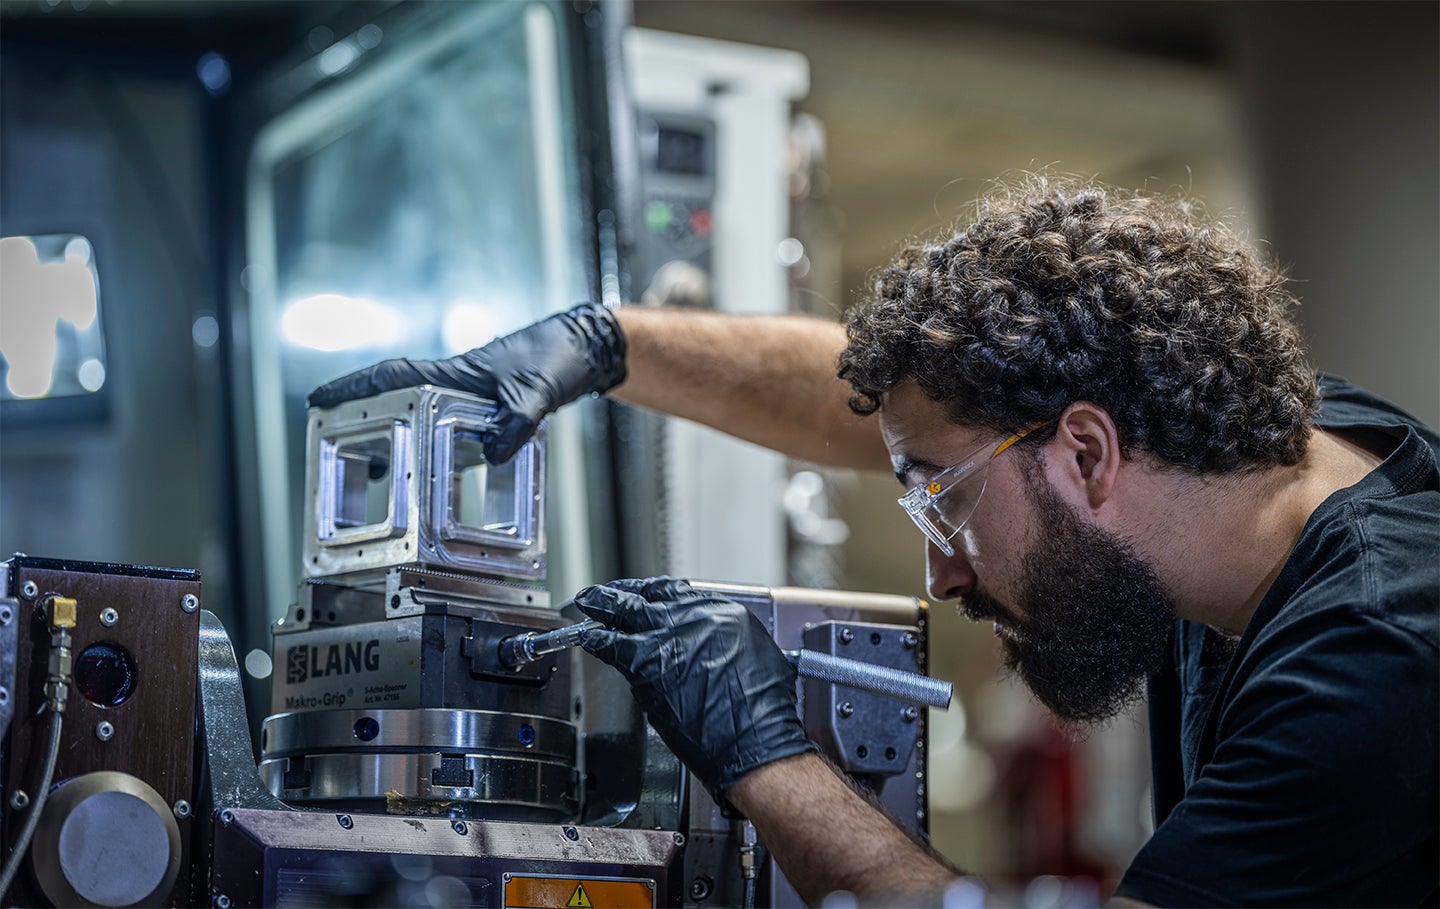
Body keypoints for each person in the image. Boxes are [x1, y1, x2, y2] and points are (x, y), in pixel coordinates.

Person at [309, 175, 1439, 906]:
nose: (943, 573)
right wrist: (602, 345)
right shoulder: (1246, 448)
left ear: (1088, 455)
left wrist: (767, 761)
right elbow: (907, 406)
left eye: (942, 507)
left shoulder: (1377, 661)